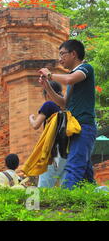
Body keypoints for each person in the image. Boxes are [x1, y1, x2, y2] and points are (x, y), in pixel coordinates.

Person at [39, 40, 97, 189]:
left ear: (74, 54)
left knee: (74, 167)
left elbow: (70, 79)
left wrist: (50, 75)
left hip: (84, 126)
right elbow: (63, 103)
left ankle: (66, 202)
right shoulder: (71, 77)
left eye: (62, 54)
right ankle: (96, 197)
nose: (60, 59)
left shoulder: (85, 68)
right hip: (74, 128)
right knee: (85, 171)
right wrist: (47, 86)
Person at [29, 80, 67, 188]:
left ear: (48, 93)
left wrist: (31, 118)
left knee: (44, 187)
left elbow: (36, 125)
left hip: (53, 152)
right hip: (66, 152)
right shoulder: (65, 108)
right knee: (65, 187)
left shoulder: (49, 104)